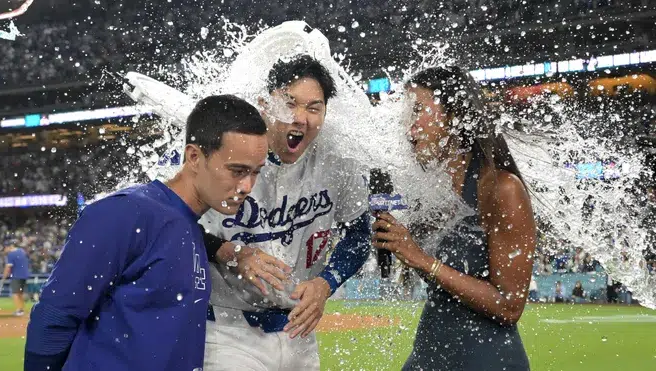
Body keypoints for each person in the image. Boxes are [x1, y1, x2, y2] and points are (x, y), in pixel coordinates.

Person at [24, 95, 269, 371]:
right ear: (194, 157)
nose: (247, 185)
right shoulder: (126, 212)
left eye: (255, 172)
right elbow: (54, 318)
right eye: (237, 171)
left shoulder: (188, 228)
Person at [201, 55, 371, 371]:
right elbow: (171, 222)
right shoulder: (224, 148)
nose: (301, 118)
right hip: (227, 331)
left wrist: (326, 283)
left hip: (299, 332)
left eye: (314, 108)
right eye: (290, 103)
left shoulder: (338, 161)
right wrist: (229, 252)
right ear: (265, 104)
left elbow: (359, 234)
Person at [371, 66, 535, 370]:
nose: (408, 125)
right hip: (430, 352)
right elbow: (440, 277)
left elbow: (510, 306)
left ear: (454, 115)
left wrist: (421, 259)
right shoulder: (429, 192)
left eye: (417, 110)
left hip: (486, 360)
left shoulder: (501, 189)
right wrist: (396, 244)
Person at [0, 239, 30, 316]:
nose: (5, 250)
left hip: (17, 275)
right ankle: (22, 310)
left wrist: (3, 278)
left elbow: (8, 268)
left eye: (5, 248)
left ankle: (19, 310)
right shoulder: (21, 251)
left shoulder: (11, 254)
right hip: (25, 275)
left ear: (9, 247)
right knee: (20, 293)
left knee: (15, 293)